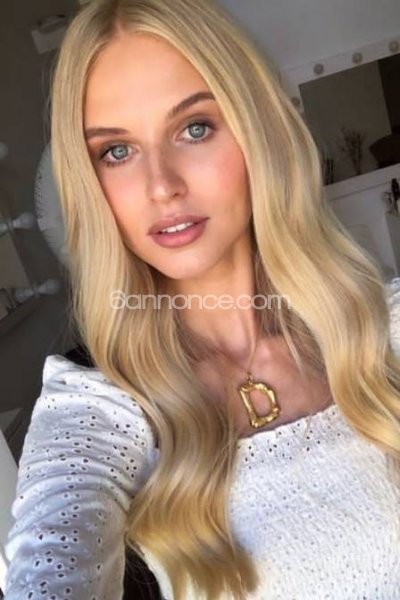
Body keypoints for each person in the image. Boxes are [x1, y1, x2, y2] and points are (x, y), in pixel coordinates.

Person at [4, 0, 400, 598]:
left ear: (258, 130)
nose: (162, 186)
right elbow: (52, 560)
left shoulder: (382, 328)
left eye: (194, 128)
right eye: (116, 151)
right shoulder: (97, 411)